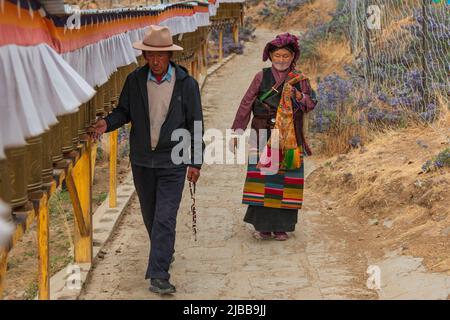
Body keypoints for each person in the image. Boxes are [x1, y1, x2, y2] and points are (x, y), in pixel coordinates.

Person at [91, 25, 204, 294]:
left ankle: (159, 275)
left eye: (160, 56)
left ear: (169, 56)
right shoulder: (135, 81)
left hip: (173, 161)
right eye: (150, 56)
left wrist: (195, 161)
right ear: (144, 56)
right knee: (151, 216)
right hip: (142, 161)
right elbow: (124, 112)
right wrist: (105, 124)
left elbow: (195, 124)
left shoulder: (186, 85)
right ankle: (163, 252)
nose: (155, 61)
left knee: (165, 217)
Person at [230, 33, 317, 241]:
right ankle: (263, 226)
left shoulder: (300, 80)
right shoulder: (261, 77)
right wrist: (237, 131)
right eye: (277, 55)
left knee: (285, 180)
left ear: (292, 57)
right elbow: (246, 103)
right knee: (263, 179)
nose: (281, 60)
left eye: (285, 56)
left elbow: (311, 103)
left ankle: (281, 227)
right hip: (261, 133)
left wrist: (298, 96)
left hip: (289, 137)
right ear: (270, 56)